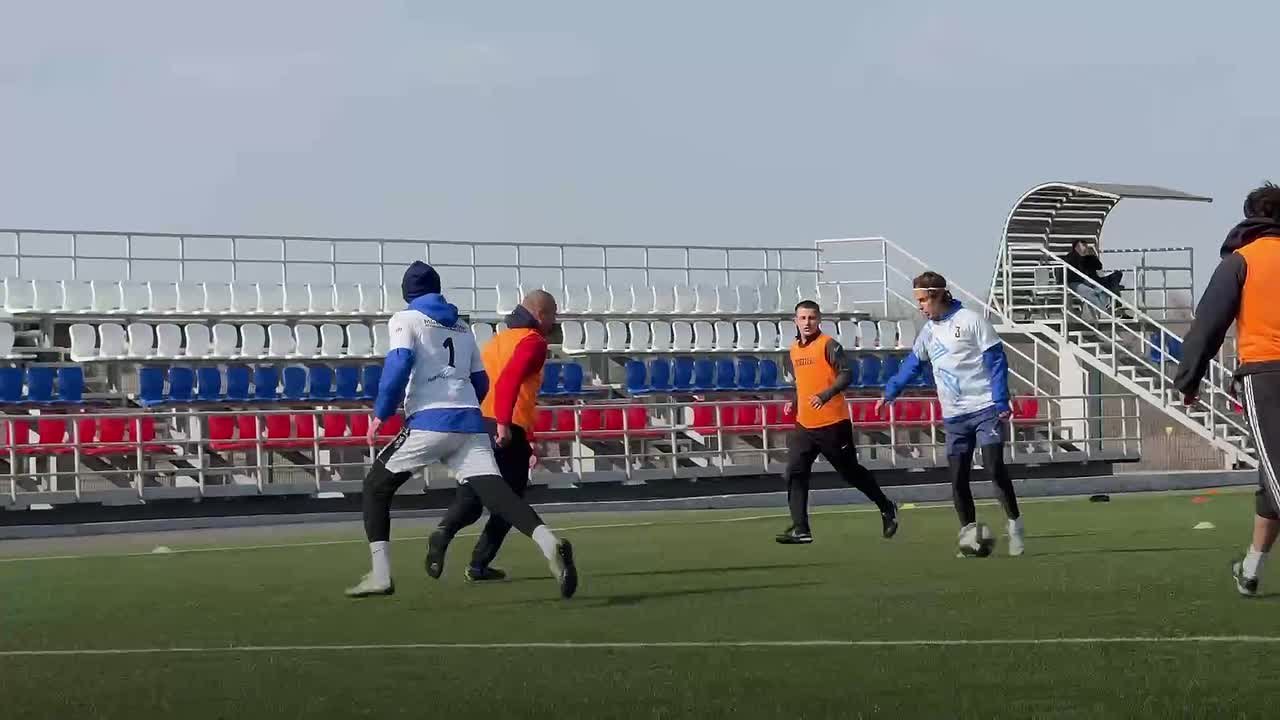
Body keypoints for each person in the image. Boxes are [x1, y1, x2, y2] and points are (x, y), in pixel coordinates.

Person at [345, 262, 578, 599]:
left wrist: (381, 413)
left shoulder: (405, 319)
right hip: (470, 422)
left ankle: (380, 574)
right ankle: (549, 542)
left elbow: (398, 365)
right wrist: (470, 413)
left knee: (376, 487)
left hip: (429, 420)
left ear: (408, 293)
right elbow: (481, 381)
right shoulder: (462, 326)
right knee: (499, 494)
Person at [1174, 181, 1280, 597]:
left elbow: (1208, 325)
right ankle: (1251, 568)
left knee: (1278, 476)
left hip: (1267, 375)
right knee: (1271, 478)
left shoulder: (1242, 261)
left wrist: (1188, 380)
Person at [878, 271, 1025, 556]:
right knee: (958, 478)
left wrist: (1001, 400)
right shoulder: (928, 332)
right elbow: (913, 364)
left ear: (937, 296)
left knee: (994, 467)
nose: (920, 306)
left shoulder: (971, 321)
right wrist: (891, 391)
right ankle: (969, 535)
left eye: (923, 300)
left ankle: (1014, 524)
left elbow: (996, 360)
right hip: (954, 416)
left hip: (985, 408)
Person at [426, 289, 557, 582]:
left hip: (478, 423)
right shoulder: (533, 341)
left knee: (471, 498)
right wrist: (504, 425)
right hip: (506, 427)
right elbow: (510, 381)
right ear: (540, 314)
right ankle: (478, 564)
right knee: (511, 500)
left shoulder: (497, 341)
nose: (555, 321)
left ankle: (443, 532)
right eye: (553, 314)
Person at [776, 300, 898, 544]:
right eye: (803, 318)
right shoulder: (793, 350)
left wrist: (825, 395)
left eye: (812, 318)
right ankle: (801, 529)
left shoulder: (829, 345)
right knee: (794, 472)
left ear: (819, 320)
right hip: (805, 425)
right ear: (795, 321)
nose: (807, 322)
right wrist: (795, 401)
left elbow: (846, 374)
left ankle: (886, 507)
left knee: (850, 472)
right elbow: (803, 383)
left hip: (833, 424)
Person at [1064, 239, 1126, 315]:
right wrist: (1082, 258)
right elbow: (1075, 273)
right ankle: (1107, 310)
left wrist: (1092, 257)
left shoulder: (1090, 257)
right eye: (1083, 246)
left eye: (1086, 246)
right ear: (1076, 248)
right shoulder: (1070, 258)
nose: (1086, 248)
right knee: (1094, 292)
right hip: (1079, 282)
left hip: (1094, 281)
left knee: (1117, 275)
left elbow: (1099, 267)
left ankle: (1115, 305)